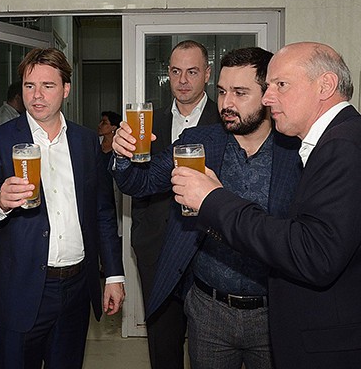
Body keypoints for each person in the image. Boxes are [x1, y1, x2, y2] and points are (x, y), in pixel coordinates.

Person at [171, 42, 361, 368]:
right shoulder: (338, 139)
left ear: (325, 85)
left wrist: (213, 199)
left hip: (328, 341)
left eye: (280, 85)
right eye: (268, 86)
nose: (268, 98)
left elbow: (313, 252)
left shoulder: (341, 146)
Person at [112, 47, 303, 368]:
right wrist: (122, 155)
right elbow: (140, 182)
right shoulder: (200, 141)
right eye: (223, 92)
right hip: (208, 309)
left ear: (268, 95)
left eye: (240, 93)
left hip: (275, 312)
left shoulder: (296, 150)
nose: (226, 103)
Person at [0, 47, 125, 369]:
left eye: (48, 86)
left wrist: (114, 274)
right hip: (22, 289)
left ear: (66, 89)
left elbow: (103, 212)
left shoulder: (86, 142)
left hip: (77, 287)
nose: (37, 95)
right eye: (29, 86)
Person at [130, 40, 220, 369]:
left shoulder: (225, 120)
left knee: (211, 351)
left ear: (207, 74)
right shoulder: (145, 122)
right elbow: (135, 182)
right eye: (176, 71)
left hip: (209, 251)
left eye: (192, 72)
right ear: (168, 73)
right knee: (163, 347)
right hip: (156, 250)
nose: (183, 80)